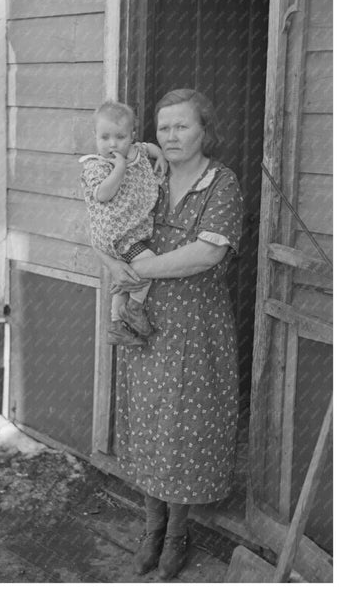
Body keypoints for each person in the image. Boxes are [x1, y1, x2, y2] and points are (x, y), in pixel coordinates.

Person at [95, 89, 244, 580]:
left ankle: (178, 533)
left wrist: (146, 267)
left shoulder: (221, 183)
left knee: (185, 430)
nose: (172, 135)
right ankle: (151, 527)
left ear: (205, 129)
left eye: (182, 126)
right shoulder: (146, 178)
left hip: (196, 329)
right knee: (147, 423)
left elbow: (208, 253)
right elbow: (108, 224)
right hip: (146, 324)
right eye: (164, 127)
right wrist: (115, 264)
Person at [79, 100, 167, 346]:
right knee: (149, 264)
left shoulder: (135, 150)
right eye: (105, 137)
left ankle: (116, 325)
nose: (113, 144)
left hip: (128, 232)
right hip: (117, 235)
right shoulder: (96, 166)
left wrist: (158, 153)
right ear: (95, 136)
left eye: (120, 137)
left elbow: (146, 147)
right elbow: (103, 194)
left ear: (132, 136)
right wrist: (119, 168)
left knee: (125, 278)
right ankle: (134, 309)